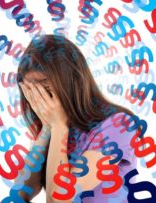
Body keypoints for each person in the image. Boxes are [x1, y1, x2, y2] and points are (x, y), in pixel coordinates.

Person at [14, 34, 138, 203]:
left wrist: (58, 126)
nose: (40, 99)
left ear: (71, 80)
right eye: (31, 91)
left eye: (45, 87)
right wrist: (47, 128)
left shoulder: (119, 125)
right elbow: (21, 193)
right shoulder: (59, 126)